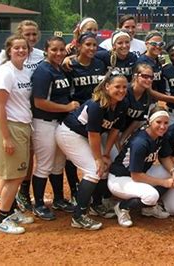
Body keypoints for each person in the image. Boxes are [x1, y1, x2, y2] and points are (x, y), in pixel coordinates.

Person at [55, 70, 128, 230]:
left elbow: (114, 131)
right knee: (94, 170)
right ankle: (78, 216)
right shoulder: (97, 105)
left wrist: (106, 154)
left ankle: (96, 205)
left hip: (86, 136)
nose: (121, 90)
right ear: (107, 86)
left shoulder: (122, 104)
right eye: (117, 86)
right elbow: (93, 135)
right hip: (70, 133)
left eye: (124, 87)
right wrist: (98, 159)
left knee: (105, 167)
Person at [0, 20, 44, 213]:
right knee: (11, 171)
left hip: (28, 117)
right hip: (12, 119)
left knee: (22, 162)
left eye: (33, 35)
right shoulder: (6, 68)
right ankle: (7, 211)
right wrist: (6, 136)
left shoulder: (34, 60)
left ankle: (15, 201)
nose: (30, 40)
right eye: (25, 37)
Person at [30, 36, 81, 221]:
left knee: (59, 163)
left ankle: (59, 199)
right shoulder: (43, 71)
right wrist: (66, 108)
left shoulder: (59, 69)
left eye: (61, 50)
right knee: (44, 164)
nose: (59, 53)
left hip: (59, 124)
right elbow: (39, 102)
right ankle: (39, 204)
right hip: (44, 122)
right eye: (54, 50)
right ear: (46, 50)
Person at [108, 106, 174, 227]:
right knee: (152, 195)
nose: (162, 126)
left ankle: (148, 208)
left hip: (139, 174)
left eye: (166, 123)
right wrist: (164, 183)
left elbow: (164, 156)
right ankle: (122, 207)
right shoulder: (140, 142)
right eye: (158, 122)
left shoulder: (160, 135)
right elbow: (136, 176)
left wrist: (173, 172)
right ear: (149, 121)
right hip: (120, 178)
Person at [0, 35, 35, 234]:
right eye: (16, 48)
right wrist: (6, 137)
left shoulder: (24, 71)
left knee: (12, 174)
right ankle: (2, 219)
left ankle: (10, 210)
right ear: (9, 51)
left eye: (24, 48)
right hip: (11, 126)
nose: (20, 51)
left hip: (23, 126)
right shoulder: (5, 72)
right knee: (14, 177)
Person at [64, 32, 107, 206]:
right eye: (87, 45)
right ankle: (75, 189)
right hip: (76, 115)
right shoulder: (69, 66)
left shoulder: (100, 63)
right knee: (71, 158)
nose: (91, 48)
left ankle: (97, 195)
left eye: (94, 45)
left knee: (95, 153)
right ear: (79, 46)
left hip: (96, 114)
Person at [136, 31, 174, 108]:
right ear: (146, 44)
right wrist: (173, 99)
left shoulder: (156, 60)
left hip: (153, 102)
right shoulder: (143, 63)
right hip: (143, 104)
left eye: (161, 44)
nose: (158, 46)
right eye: (154, 44)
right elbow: (148, 91)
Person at [118, 63, 153, 148]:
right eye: (145, 76)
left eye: (151, 77)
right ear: (135, 76)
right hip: (110, 130)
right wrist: (117, 142)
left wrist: (122, 140)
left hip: (126, 131)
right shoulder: (125, 91)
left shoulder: (147, 96)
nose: (148, 80)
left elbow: (137, 120)